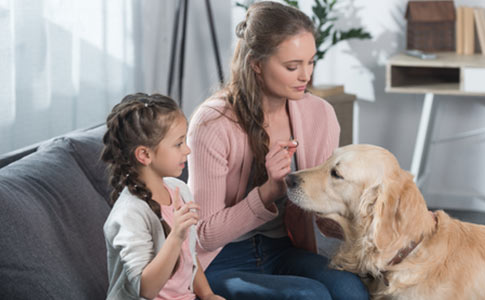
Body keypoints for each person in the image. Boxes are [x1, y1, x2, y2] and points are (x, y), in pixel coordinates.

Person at [187, 2, 369, 300]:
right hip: (219, 260)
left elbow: (322, 215)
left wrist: (364, 218)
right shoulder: (213, 122)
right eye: (292, 66)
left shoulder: (319, 114)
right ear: (256, 63)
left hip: (282, 249)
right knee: (309, 295)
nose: (305, 75)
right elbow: (205, 234)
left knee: (351, 290)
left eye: (311, 62)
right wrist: (268, 192)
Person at [101, 93, 224, 300]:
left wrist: (208, 295)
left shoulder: (178, 189)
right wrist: (176, 236)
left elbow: (189, 256)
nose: (187, 149)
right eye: (178, 144)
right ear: (145, 155)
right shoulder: (129, 213)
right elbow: (145, 289)